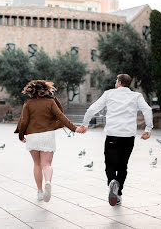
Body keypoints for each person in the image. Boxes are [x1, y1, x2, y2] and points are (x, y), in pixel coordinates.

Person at [80, 74, 153, 206]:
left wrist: (85, 124)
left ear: (119, 82)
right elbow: (147, 110)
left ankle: (112, 182)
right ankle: (118, 194)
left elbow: (92, 109)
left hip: (113, 135)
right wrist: (148, 129)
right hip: (129, 137)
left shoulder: (109, 94)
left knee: (110, 164)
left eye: (116, 81)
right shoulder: (136, 96)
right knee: (123, 166)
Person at [15, 80, 84, 202]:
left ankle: (40, 192)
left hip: (32, 136)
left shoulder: (28, 104)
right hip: (47, 135)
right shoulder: (50, 102)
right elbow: (61, 117)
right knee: (46, 164)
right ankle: (48, 182)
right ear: (46, 89)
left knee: (36, 164)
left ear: (31, 91)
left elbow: (24, 121)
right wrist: (75, 128)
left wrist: (21, 135)